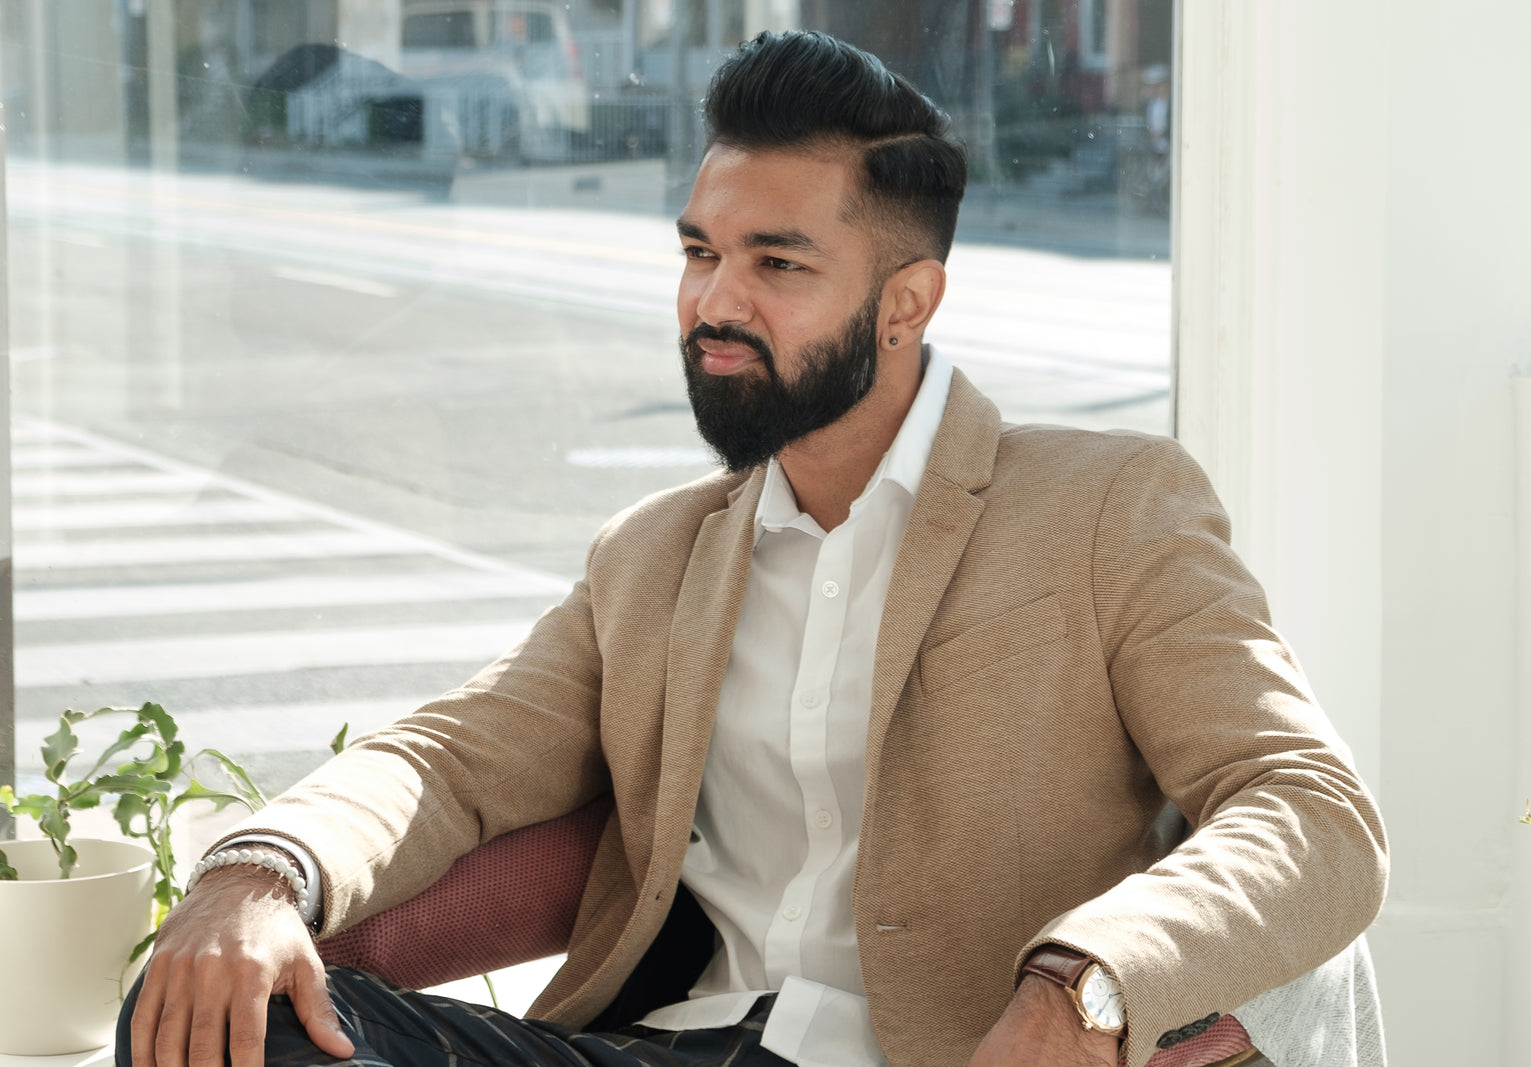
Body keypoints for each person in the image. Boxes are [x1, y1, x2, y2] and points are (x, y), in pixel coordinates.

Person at [118, 30, 1386, 1067]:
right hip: (661, 1044)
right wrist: (255, 871)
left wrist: (1084, 988)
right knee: (201, 1023)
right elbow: (453, 754)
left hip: (941, 1049)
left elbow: (1308, 807)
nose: (715, 302)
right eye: (699, 251)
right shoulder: (655, 553)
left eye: (776, 262)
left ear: (906, 300)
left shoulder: (1108, 503)